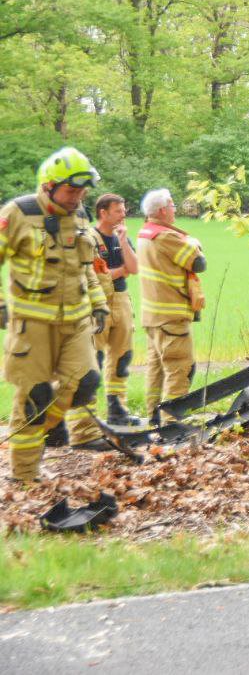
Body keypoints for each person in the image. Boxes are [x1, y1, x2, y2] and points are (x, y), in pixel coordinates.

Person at [0, 147, 111, 482]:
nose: (77, 197)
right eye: (71, 190)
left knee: (86, 382)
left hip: (75, 323)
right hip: (32, 325)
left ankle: (36, 429)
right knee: (34, 398)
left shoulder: (79, 217)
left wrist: (99, 302)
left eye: (81, 191)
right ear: (48, 186)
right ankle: (24, 475)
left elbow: (85, 269)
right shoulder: (18, 212)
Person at [137, 189, 206, 417]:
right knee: (179, 369)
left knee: (156, 370)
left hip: (152, 316)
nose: (175, 210)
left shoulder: (145, 233)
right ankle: (172, 422)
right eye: (173, 206)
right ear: (163, 210)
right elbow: (199, 263)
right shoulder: (166, 236)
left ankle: (154, 417)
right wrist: (194, 242)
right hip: (171, 317)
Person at [90, 193, 142, 426]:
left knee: (122, 356)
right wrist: (122, 270)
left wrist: (122, 241)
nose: (124, 215)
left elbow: (134, 266)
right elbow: (97, 276)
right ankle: (87, 416)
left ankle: (117, 409)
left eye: (124, 210)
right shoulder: (90, 238)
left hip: (121, 299)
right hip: (98, 303)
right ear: (103, 212)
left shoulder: (121, 237)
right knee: (94, 358)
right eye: (119, 211)